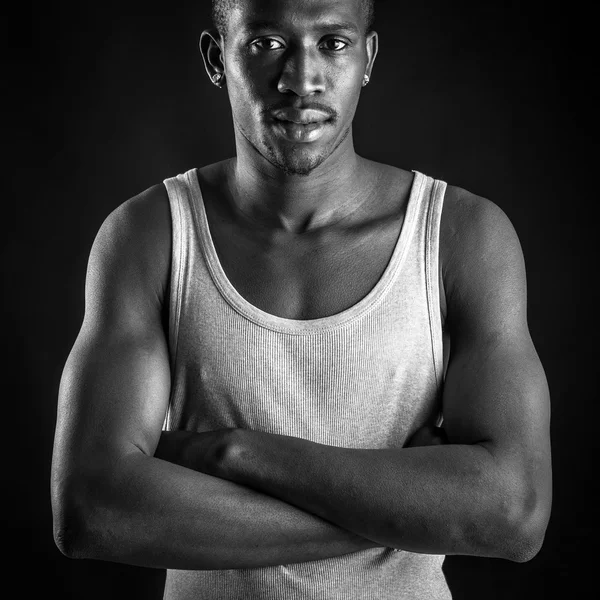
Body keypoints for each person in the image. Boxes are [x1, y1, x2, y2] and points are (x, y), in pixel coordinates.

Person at [50, 0, 552, 598]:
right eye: (266, 44)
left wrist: (233, 454)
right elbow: (92, 510)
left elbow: (514, 514)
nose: (301, 80)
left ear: (367, 58)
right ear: (217, 59)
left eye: (333, 43)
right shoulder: (149, 236)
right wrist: (407, 508)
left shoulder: (462, 236)